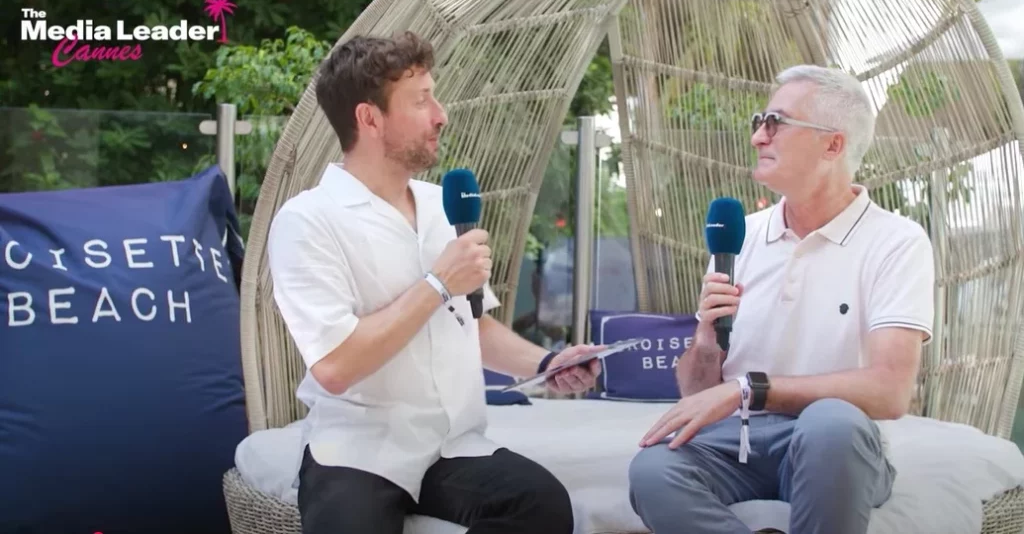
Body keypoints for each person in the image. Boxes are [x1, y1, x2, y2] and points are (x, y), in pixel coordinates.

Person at [266, 31, 602, 534]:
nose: (441, 114)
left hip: (452, 447)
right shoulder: (307, 220)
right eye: (422, 100)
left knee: (544, 506)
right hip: (358, 449)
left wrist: (548, 362)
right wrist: (437, 283)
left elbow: (473, 325)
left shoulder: (440, 206)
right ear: (369, 118)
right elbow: (335, 366)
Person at [627, 64, 935, 534]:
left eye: (776, 122)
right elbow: (696, 391)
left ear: (833, 144)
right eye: (759, 121)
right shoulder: (739, 238)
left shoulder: (896, 241)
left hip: (832, 442)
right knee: (652, 471)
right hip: (737, 441)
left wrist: (748, 388)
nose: (757, 137)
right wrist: (707, 342)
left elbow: (889, 392)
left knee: (831, 423)